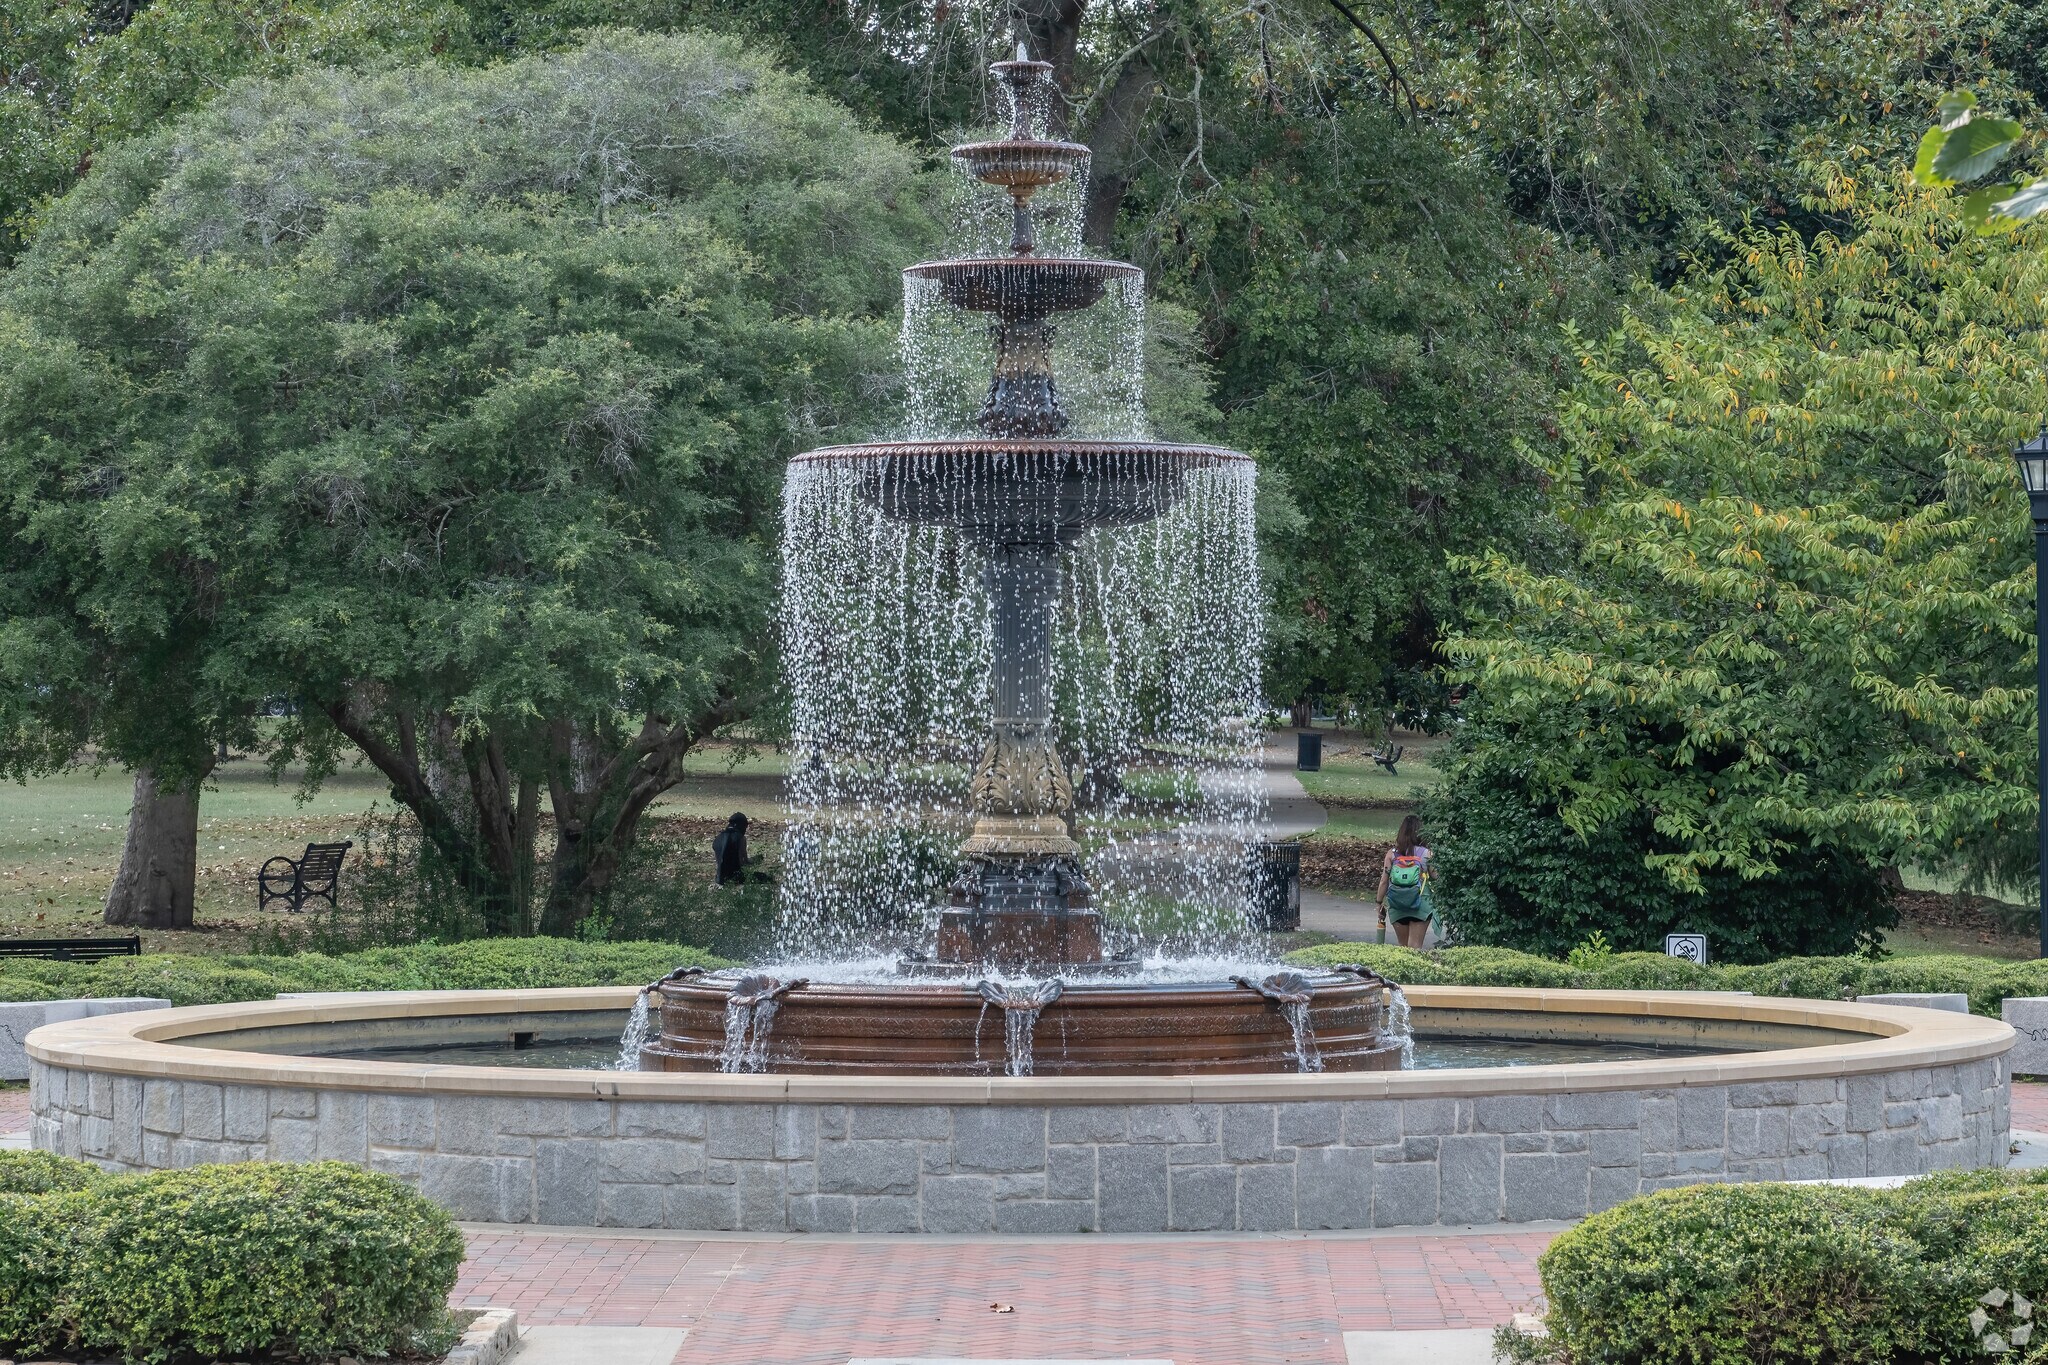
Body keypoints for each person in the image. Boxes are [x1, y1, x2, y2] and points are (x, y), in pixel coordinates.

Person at [1376, 814, 1433, 949]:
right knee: (1415, 947)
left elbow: (1384, 881)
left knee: (1403, 947)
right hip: (1420, 903)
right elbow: (1436, 876)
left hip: (1397, 904)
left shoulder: (1392, 854)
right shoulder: (1427, 854)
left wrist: (1379, 903)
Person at [712, 812, 761, 886]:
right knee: (765, 878)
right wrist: (756, 860)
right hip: (735, 879)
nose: (745, 830)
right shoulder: (740, 838)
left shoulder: (718, 838)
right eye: (745, 827)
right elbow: (743, 862)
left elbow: (719, 863)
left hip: (719, 880)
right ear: (739, 825)